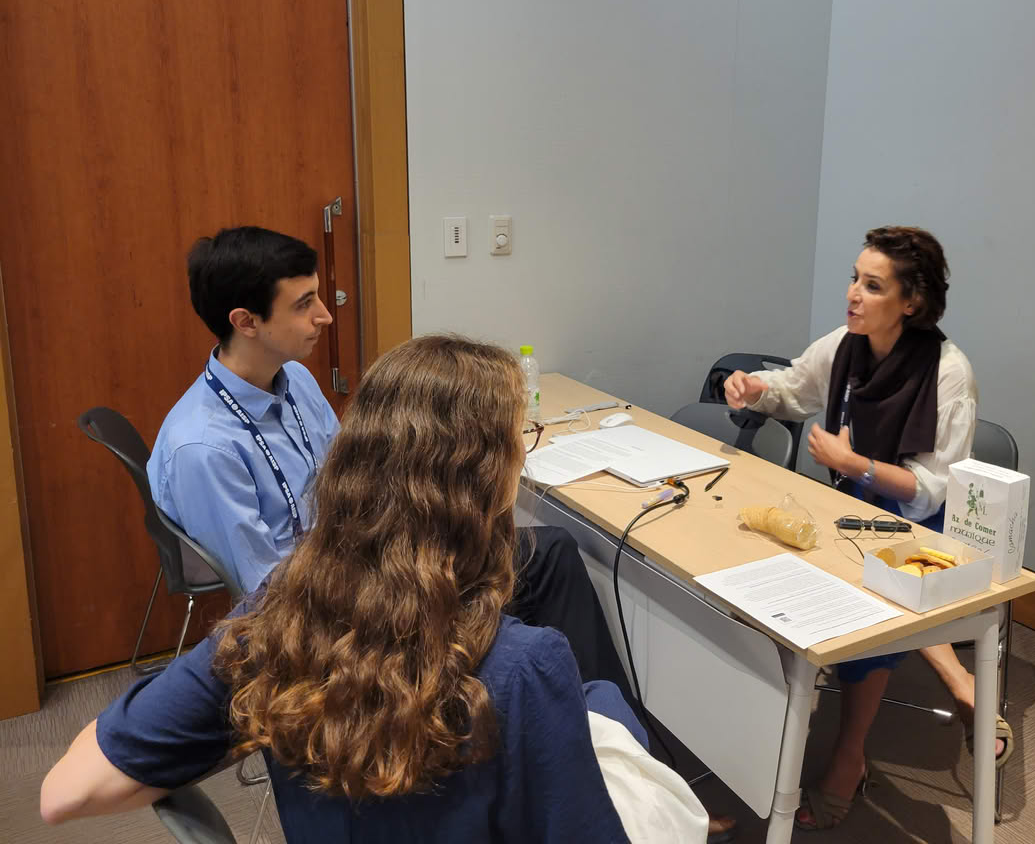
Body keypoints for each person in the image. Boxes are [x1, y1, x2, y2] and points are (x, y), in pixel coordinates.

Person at [41, 335, 684, 840]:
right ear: (491, 482)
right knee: (603, 703)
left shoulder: (278, 625)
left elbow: (64, 793)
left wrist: (260, 707)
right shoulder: (521, 669)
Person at [147, 226, 632, 697]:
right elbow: (266, 598)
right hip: (332, 608)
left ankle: (599, 720)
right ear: (245, 322)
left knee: (546, 550)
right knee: (503, 593)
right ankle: (545, 709)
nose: (325, 316)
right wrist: (403, 582)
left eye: (318, 296)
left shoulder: (292, 378)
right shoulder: (203, 449)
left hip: (364, 559)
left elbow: (356, 478)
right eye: (303, 305)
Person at [723, 225, 1012, 832]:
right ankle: (959, 676)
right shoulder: (847, 342)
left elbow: (935, 487)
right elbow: (793, 388)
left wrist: (855, 465)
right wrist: (754, 388)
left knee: (862, 603)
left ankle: (848, 758)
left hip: (924, 525)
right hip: (855, 506)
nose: (853, 294)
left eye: (872, 285)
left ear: (911, 302)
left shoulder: (949, 372)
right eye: (854, 278)